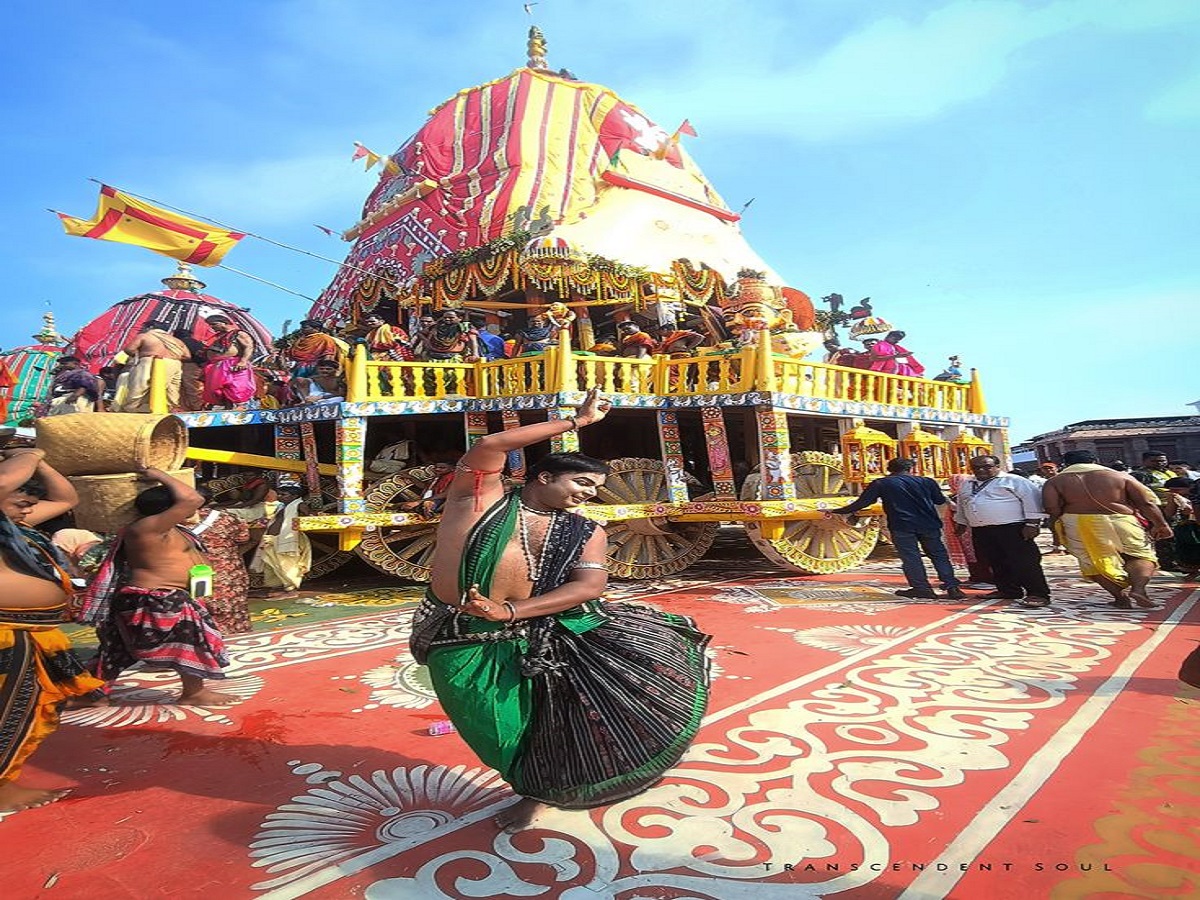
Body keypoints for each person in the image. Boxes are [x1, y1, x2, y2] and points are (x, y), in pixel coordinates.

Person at [411, 387, 710, 832]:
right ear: (544, 476)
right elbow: (491, 446)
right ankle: (531, 781)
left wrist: (510, 613)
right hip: (458, 633)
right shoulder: (477, 502)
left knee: (545, 725)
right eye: (582, 483)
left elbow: (590, 586)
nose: (588, 494)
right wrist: (579, 423)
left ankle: (538, 792)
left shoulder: (587, 531)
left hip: (536, 636)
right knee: (489, 725)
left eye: (595, 489)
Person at [0, 448, 105, 813]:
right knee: (7, 710)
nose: (28, 506)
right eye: (20, 500)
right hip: (6, 633)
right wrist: (28, 454)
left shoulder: (15, 526)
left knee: (26, 707)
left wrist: (41, 461)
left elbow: (66, 498)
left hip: (26, 631)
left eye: (31, 502)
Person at [75, 468, 232, 705]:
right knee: (188, 643)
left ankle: (94, 694)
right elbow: (193, 498)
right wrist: (158, 474)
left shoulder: (171, 529)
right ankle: (194, 692)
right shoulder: (145, 528)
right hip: (156, 597)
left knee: (117, 649)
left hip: (164, 596)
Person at [1043, 449, 1173, 609]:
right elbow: (1146, 503)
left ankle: (1120, 598)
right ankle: (1139, 589)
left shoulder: (1055, 482)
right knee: (1140, 555)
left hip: (1077, 521)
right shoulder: (1121, 476)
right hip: (1121, 519)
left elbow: (1052, 509)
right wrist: (1161, 524)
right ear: (1095, 461)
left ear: (1066, 464)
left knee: (1091, 561)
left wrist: (1057, 530)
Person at [828, 457, 964, 600]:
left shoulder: (881, 483)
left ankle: (921, 588)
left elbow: (863, 503)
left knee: (911, 557)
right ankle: (952, 587)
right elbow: (939, 500)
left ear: (889, 470)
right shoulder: (927, 481)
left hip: (902, 525)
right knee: (939, 555)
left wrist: (837, 510)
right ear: (912, 469)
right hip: (929, 524)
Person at [952, 455, 1052, 608]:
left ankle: (1038, 593)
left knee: (1024, 562)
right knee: (995, 561)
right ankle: (1008, 590)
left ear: (997, 466)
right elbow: (962, 504)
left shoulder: (1014, 481)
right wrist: (961, 522)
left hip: (1012, 528)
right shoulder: (968, 483)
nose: (981, 470)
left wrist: (1032, 524)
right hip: (981, 529)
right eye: (976, 467)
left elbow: (1032, 500)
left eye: (986, 466)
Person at [190, 488, 253, 635]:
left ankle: (207, 637)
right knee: (233, 606)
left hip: (196, 570)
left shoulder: (176, 521)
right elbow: (243, 538)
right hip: (228, 570)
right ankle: (237, 635)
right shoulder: (228, 518)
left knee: (200, 604)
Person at [111, 319, 189, 413]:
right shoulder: (177, 341)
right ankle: (171, 408)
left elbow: (129, 349)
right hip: (174, 364)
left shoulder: (144, 336)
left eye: (143, 328)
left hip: (149, 361)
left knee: (139, 387)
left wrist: (138, 355)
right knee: (171, 389)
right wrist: (171, 357)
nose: (142, 330)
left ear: (150, 327)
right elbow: (187, 356)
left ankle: (132, 409)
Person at [249, 483, 312, 597]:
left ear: (294, 496)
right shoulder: (281, 507)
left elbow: (309, 517)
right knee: (271, 565)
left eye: (284, 494)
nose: (280, 496)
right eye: (279, 494)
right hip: (272, 539)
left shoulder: (299, 504)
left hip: (287, 539)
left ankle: (291, 590)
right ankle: (277, 587)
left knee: (287, 565)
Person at [202, 315, 257, 409]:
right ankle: (227, 408)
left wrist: (243, 361)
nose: (212, 327)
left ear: (224, 323)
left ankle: (241, 409)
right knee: (218, 390)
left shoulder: (239, 334)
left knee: (235, 388)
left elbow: (249, 346)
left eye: (214, 324)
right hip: (218, 365)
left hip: (233, 364)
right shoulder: (220, 336)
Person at [173, 328, 209, 411]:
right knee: (195, 387)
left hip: (190, 366)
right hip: (198, 366)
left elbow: (189, 356)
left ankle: (197, 407)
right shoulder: (197, 343)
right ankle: (195, 406)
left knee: (190, 387)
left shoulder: (182, 343)